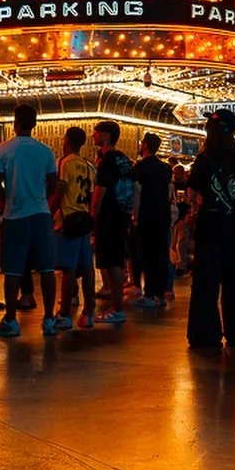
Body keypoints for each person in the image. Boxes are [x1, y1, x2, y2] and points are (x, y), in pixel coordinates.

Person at [186, 109, 235, 349]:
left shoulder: (204, 159)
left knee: (206, 282)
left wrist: (198, 203)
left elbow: (192, 193)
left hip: (210, 226)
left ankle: (206, 334)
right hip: (234, 227)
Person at [0, 101, 58, 335]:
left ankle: (11, 319)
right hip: (41, 213)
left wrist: (7, 197)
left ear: (15, 122)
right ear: (35, 123)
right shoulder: (45, 151)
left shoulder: (4, 150)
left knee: (12, 269)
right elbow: (52, 183)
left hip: (15, 215)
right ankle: (49, 319)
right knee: (47, 268)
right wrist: (39, 196)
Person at [53, 124, 96, 329]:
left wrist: (49, 208)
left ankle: (64, 313)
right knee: (87, 267)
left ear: (67, 141)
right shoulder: (89, 166)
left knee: (68, 270)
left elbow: (60, 189)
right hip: (85, 218)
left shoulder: (64, 162)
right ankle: (89, 312)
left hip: (68, 219)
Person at [91, 119, 133, 324]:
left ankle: (117, 308)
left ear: (106, 135)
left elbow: (99, 194)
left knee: (110, 262)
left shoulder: (107, 161)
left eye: (96, 132)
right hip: (123, 215)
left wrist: (92, 216)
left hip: (108, 216)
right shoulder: (125, 160)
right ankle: (117, 305)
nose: (93, 136)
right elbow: (136, 188)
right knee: (117, 259)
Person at [132, 131, 173, 307]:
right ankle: (161, 293)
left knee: (147, 254)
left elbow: (137, 193)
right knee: (161, 253)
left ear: (146, 146)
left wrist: (135, 215)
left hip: (146, 214)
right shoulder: (165, 168)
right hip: (163, 215)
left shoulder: (140, 167)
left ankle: (148, 294)